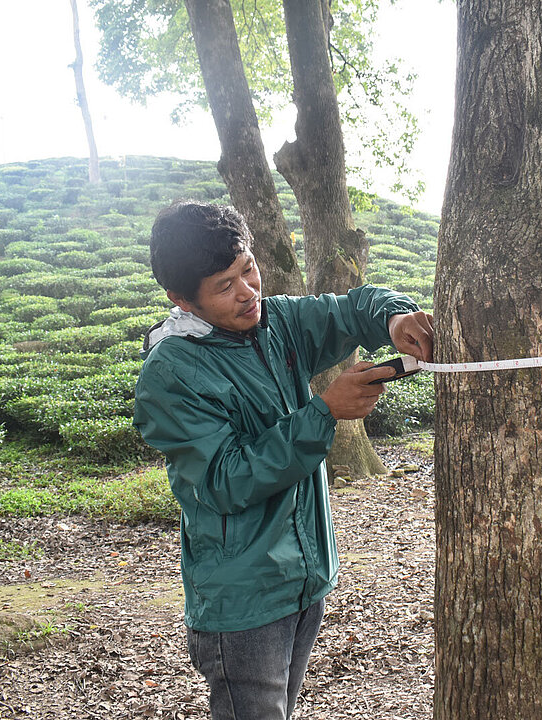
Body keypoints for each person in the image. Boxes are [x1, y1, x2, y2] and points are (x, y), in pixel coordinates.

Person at [133, 201, 435, 720]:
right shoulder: (170, 374)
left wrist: (393, 316)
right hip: (243, 599)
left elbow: (348, 309)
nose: (248, 291)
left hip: (305, 578)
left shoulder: (279, 324)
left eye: (248, 269)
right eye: (224, 286)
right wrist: (323, 414)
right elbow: (225, 480)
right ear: (181, 299)